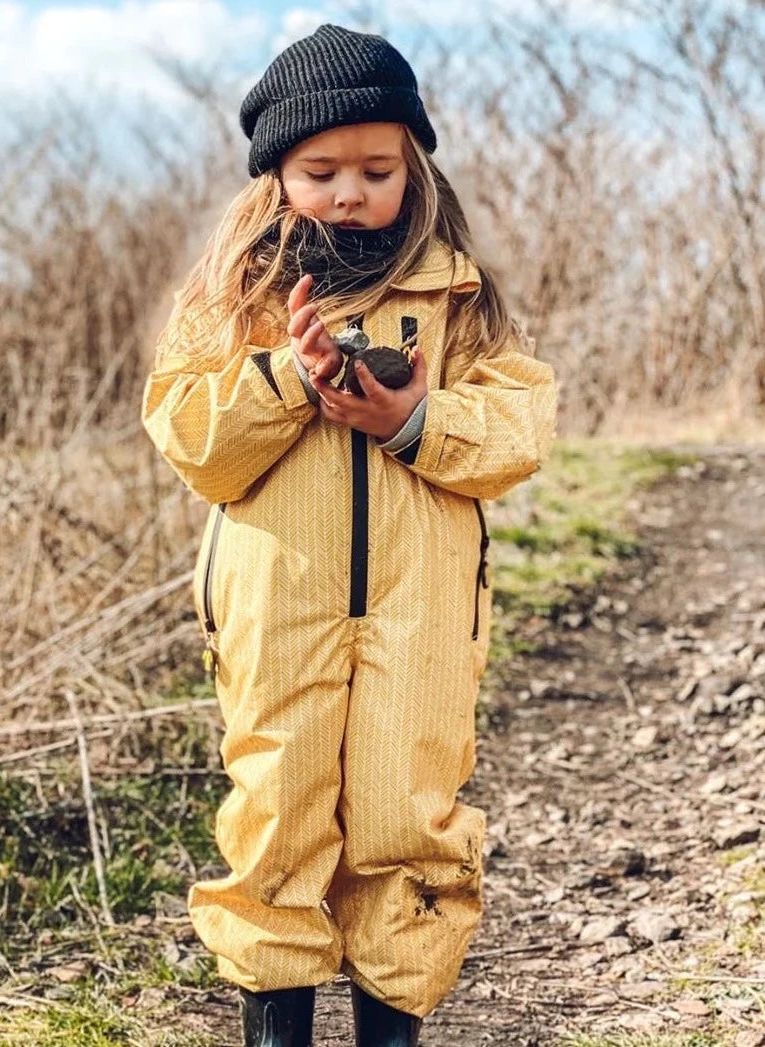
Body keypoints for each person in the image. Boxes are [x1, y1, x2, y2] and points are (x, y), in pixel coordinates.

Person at [141, 22, 557, 1047]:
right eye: (320, 170)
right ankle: (274, 1028)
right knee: (277, 811)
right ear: (277, 172)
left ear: (413, 170)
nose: (347, 192)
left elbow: (519, 430)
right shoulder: (234, 298)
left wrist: (412, 421)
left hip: (422, 613)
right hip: (276, 604)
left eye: (377, 169)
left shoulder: (458, 297)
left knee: (404, 818)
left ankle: (391, 1028)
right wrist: (288, 380)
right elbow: (191, 438)